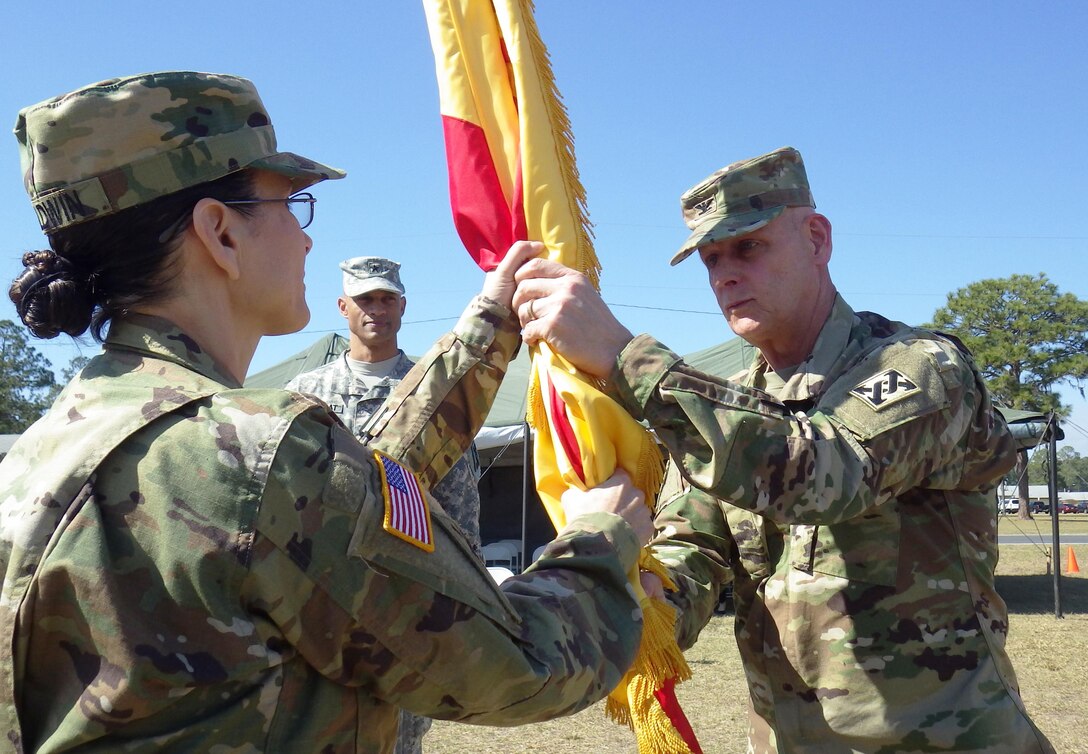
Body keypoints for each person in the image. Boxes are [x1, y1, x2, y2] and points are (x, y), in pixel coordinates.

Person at [0, 71, 654, 754]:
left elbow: (346, 498)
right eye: (292, 203)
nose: (306, 239)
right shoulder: (260, 456)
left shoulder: (48, 448)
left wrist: (486, 334)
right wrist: (599, 546)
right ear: (220, 233)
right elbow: (519, 667)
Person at [512, 146, 1055, 752]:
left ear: (817, 240)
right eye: (711, 259)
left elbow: (825, 472)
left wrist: (625, 357)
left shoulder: (920, 366)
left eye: (749, 247)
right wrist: (637, 589)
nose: (725, 275)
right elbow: (694, 551)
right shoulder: (722, 410)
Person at [285, 256, 484, 754]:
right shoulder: (305, 396)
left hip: (407, 604)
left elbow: (460, 508)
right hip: (322, 604)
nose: (377, 309)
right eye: (365, 299)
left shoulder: (435, 393)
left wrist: (464, 603)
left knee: (399, 736)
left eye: (386, 298)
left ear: (403, 305)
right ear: (342, 307)